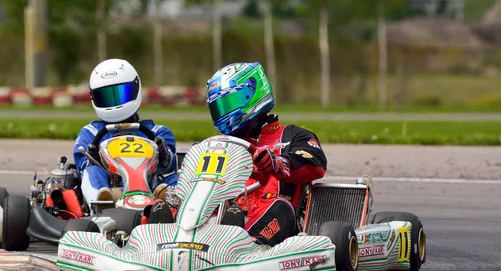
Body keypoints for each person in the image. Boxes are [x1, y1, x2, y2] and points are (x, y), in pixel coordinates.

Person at [205, 61, 328, 246]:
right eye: (218, 107)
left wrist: (278, 164)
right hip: (228, 213)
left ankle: (244, 244)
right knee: (180, 205)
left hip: (276, 218)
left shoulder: (292, 135)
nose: (223, 112)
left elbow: (315, 164)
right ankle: (162, 231)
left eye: (228, 103)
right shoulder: (218, 145)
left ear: (251, 94)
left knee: (280, 207)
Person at [73, 58, 179, 214]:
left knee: (176, 177)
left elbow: (171, 165)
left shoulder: (158, 132)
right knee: (91, 171)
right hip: (111, 191)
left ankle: (166, 202)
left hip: (150, 190)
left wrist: (165, 156)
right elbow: (80, 164)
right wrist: (92, 159)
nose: (114, 103)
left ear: (136, 89)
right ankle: (102, 202)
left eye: (121, 94)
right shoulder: (91, 132)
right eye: (106, 97)